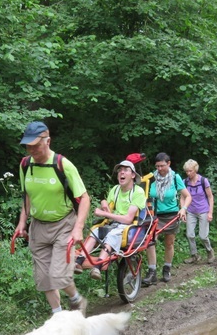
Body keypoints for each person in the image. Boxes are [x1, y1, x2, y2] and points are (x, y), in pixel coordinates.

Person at [14, 121, 90, 314]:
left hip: (63, 224)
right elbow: (27, 197)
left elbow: (84, 198)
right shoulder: (25, 165)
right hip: (38, 227)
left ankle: (76, 299)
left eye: (35, 146)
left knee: (58, 275)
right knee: (43, 279)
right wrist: (22, 223)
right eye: (28, 146)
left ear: (48, 141)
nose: (31, 150)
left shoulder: (62, 164)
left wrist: (78, 227)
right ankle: (58, 316)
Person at [75, 160, 147, 280]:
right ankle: (79, 261)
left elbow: (128, 219)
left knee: (112, 234)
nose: (121, 173)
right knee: (96, 231)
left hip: (129, 227)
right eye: (120, 170)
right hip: (114, 224)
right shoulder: (115, 189)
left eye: (125, 170)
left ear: (133, 175)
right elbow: (108, 213)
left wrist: (104, 213)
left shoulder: (138, 192)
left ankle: (97, 267)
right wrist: (104, 204)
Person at [142, 152, 191, 286]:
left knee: (169, 243)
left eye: (162, 166)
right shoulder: (151, 178)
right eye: (157, 166)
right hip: (154, 215)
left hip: (171, 214)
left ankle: (166, 268)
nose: (159, 169)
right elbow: (142, 194)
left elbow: (187, 196)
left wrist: (183, 209)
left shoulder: (175, 177)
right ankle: (152, 272)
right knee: (150, 242)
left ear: (168, 164)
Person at [182, 159, 215, 264]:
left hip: (203, 210)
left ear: (195, 170)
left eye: (190, 171)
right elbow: (182, 198)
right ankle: (194, 255)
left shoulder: (203, 181)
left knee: (203, 236)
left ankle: (209, 251)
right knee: (190, 234)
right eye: (187, 171)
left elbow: (210, 197)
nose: (188, 173)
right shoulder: (184, 182)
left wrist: (210, 213)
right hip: (190, 211)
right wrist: (183, 210)